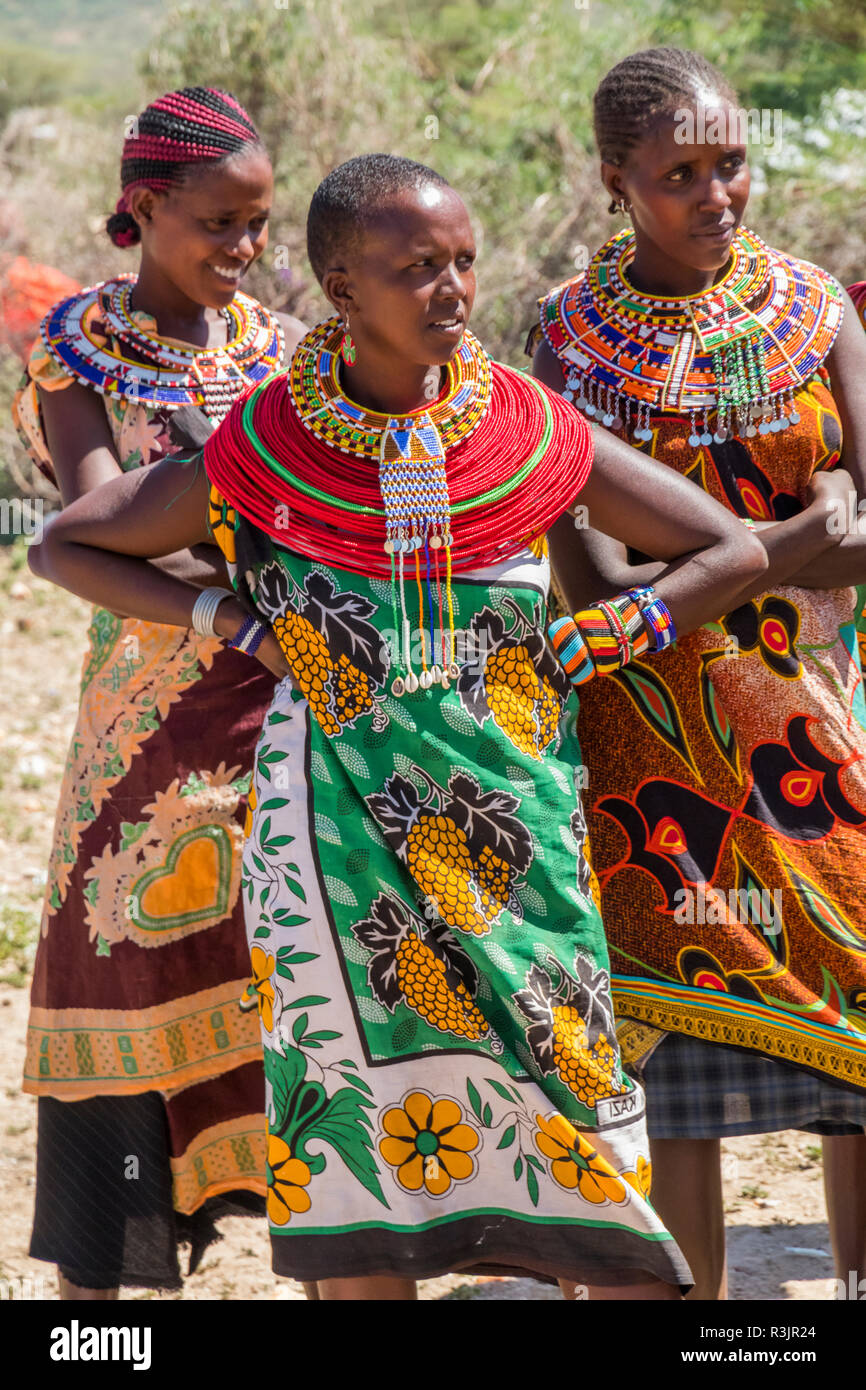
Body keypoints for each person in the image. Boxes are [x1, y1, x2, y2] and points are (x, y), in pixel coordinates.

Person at [28, 152, 767, 1301]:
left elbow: (729, 549)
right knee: (362, 1179)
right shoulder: (267, 445)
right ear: (340, 287)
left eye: (461, 261)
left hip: (516, 836)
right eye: (416, 267)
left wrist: (600, 637)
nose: (450, 287)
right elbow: (64, 543)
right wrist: (237, 622)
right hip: (331, 848)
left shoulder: (524, 426)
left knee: (589, 1150)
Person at [532, 47, 866, 1299]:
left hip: (821, 741)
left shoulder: (815, 307)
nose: (715, 194)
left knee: (857, 1031)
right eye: (678, 174)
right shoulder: (565, 341)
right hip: (651, 758)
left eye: (728, 163)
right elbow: (594, 586)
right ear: (611, 178)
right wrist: (800, 530)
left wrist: (710, 569)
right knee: (673, 1066)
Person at [14, 86, 305, 1298]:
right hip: (143, 741)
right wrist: (237, 596)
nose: (246, 247)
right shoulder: (77, 349)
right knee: (119, 981)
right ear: (144, 207)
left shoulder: (292, 351)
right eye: (220, 222)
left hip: (288, 723)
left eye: (259, 223)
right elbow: (92, 528)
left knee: (296, 999)